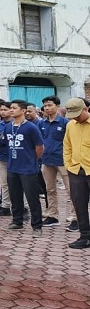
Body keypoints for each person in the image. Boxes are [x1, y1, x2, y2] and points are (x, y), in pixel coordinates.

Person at [3, 100, 44, 237]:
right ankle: (17, 221)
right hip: (13, 167)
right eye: (10, 108)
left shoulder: (31, 127)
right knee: (15, 197)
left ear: (23, 110)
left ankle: (37, 226)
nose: (11, 110)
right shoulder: (8, 127)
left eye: (14, 108)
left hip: (28, 168)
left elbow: (39, 148)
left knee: (32, 198)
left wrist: (31, 160)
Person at [39, 95, 75, 230]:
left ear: (58, 106)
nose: (47, 108)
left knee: (71, 190)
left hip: (63, 161)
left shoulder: (65, 123)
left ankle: (75, 217)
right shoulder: (41, 123)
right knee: (50, 189)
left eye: (50, 105)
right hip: (47, 160)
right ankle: (52, 215)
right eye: (45, 106)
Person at [62, 98, 90, 249]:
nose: (74, 118)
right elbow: (67, 146)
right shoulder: (70, 125)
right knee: (79, 205)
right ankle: (85, 236)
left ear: (86, 109)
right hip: (76, 170)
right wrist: (68, 164)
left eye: (77, 114)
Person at [0, 102, 13, 216]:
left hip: (15, 157)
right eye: (1, 110)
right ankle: (5, 205)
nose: (2, 112)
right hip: (2, 156)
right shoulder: (0, 124)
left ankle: (24, 207)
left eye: (5, 109)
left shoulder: (15, 124)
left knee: (18, 184)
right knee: (4, 183)